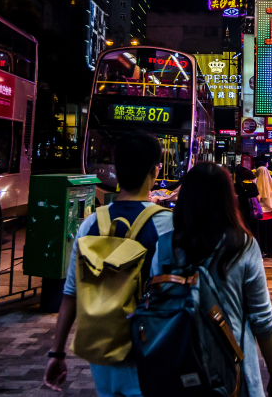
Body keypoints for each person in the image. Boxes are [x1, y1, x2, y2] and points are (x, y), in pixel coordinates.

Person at [44, 132, 174, 396]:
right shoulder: (166, 224)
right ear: (154, 171)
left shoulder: (91, 223)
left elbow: (70, 292)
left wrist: (57, 352)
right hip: (148, 353)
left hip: (101, 355)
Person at [151, 162, 272, 397]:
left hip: (175, 369)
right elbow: (262, 319)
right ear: (226, 198)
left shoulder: (164, 246)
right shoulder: (242, 245)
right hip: (233, 373)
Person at [255, 162, 272, 258]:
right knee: (271, 234)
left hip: (259, 214)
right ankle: (271, 251)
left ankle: (261, 250)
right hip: (270, 213)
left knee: (261, 234)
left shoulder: (255, 182)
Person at [235, 165, 262, 241]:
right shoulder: (253, 185)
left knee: (243, 229)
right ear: (251, 177)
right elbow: (258, 199)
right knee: (255, 230)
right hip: (253, 211)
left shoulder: (237, 185)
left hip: (241, 210)